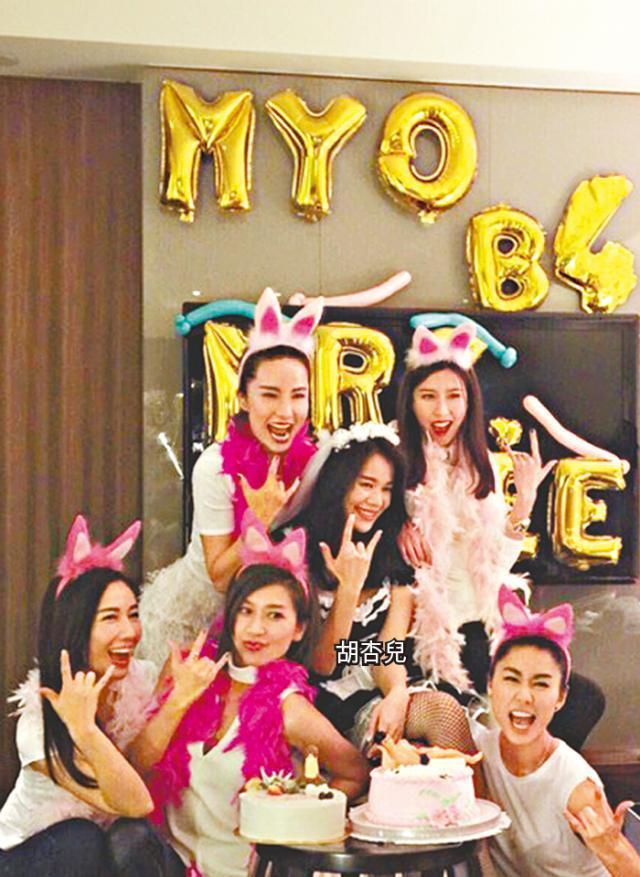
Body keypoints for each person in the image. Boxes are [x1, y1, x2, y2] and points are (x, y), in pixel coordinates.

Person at [397, 322, 605, 749]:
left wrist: (523, 506)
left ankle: (526, 781)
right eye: (428, 396)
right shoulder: (392, 463)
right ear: (410, 401)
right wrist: (392, 525)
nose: (442, 410)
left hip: (483, 630)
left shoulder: (480, 466)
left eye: (454, 396)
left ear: (469, 401)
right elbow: (357, 524)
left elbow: (490, 566)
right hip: (414, 640)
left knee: (582, 699)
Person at [130, 514, 368, 877]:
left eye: (274, 616)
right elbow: (137, 768)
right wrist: (178, 701)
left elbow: (340, 662)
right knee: (126, 839)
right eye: (246, 611)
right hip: (171, 865)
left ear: (299, 628)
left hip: (245, 870)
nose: (256, 629)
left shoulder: (290, 706)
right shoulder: (189, 668)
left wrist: (302, 815)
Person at [138, 287, 323, 668]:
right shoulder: (215, 467)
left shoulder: (316, 460)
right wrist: (260, 517)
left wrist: (408, 521)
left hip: (264, 627)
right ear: (243, 398)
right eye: (269, 395)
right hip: (192, 623)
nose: (286, 411)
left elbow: (374, 466)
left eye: (298, 396)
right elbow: (220, 578)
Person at [0, 515, 183, 877]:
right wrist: (83, 729)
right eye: (110, 618)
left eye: (133, 614)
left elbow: (138, 798)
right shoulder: (38, 720)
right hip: (26, 857)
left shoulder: (140, 678)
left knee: (133, 837)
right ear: (76, 628)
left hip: (101, 852)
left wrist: (179, 696)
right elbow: (135, 802)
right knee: (81, 839)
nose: (129, 631)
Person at [286, 422, 476, 755]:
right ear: (339, 484)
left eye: (386, 488)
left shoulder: (392, 550)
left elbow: (389, 649)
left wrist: (397, 693)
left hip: (382, 682)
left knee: (445, 714)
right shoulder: (297, 552)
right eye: (366, 484)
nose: (377, 500)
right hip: (320, 703)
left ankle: (477, 793)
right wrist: (348, 589)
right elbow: (322, 663)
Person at [475, 585, 618, 877]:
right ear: (491, 685)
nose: (524, 697)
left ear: (561, 697)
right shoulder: (477, 749)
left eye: (540, 684)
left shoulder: (576, 784)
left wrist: (612, 845)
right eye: (511, 679)